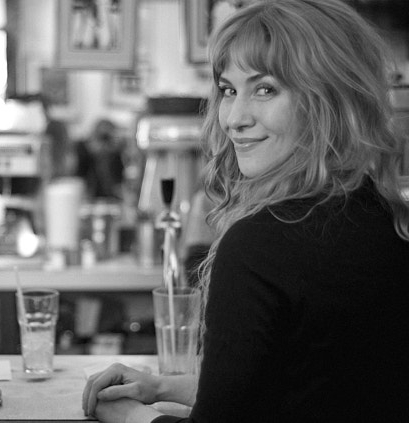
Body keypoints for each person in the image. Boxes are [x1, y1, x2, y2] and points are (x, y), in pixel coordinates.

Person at [82, 0, 409, 421]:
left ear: (329, 99)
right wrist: (162, 386)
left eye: (266, 89)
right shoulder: (386, 218)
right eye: (229, 90)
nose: (234, 118)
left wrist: (127, 415)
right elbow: (316, 383)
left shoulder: (261, 244)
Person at [75, 118, 125, 199]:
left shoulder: (116, 155)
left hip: (113, 197)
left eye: (107, 138)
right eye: (101, 137)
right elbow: (80, 175)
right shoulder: (84, 153)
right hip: (90, 195)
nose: (104, 144)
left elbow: (119, 181)